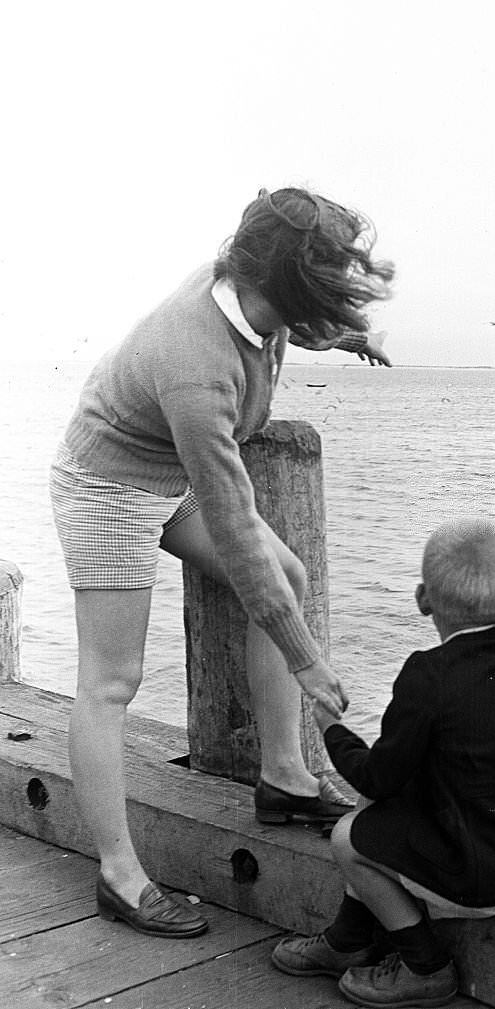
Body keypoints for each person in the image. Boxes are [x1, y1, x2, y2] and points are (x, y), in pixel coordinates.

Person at [49, 187, 395, 939]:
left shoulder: (248, 289)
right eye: (325, 280)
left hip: (168, 474)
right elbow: (237, 531)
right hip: (108, 486)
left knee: (290, 577)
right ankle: (119, 874)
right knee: (112, 681)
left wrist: (339, 340)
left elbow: (275, 324)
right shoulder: (193, 362)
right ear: (284, 282)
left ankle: (285, 777)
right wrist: (308, 662)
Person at [271, 517, 495, 1007]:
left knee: (351, 835)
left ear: (422, 599)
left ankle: (424, 965)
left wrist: (330, 727)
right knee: (381, 800)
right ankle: (348, 939)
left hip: (477, 880)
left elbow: (375, 777)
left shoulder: (425, 674)